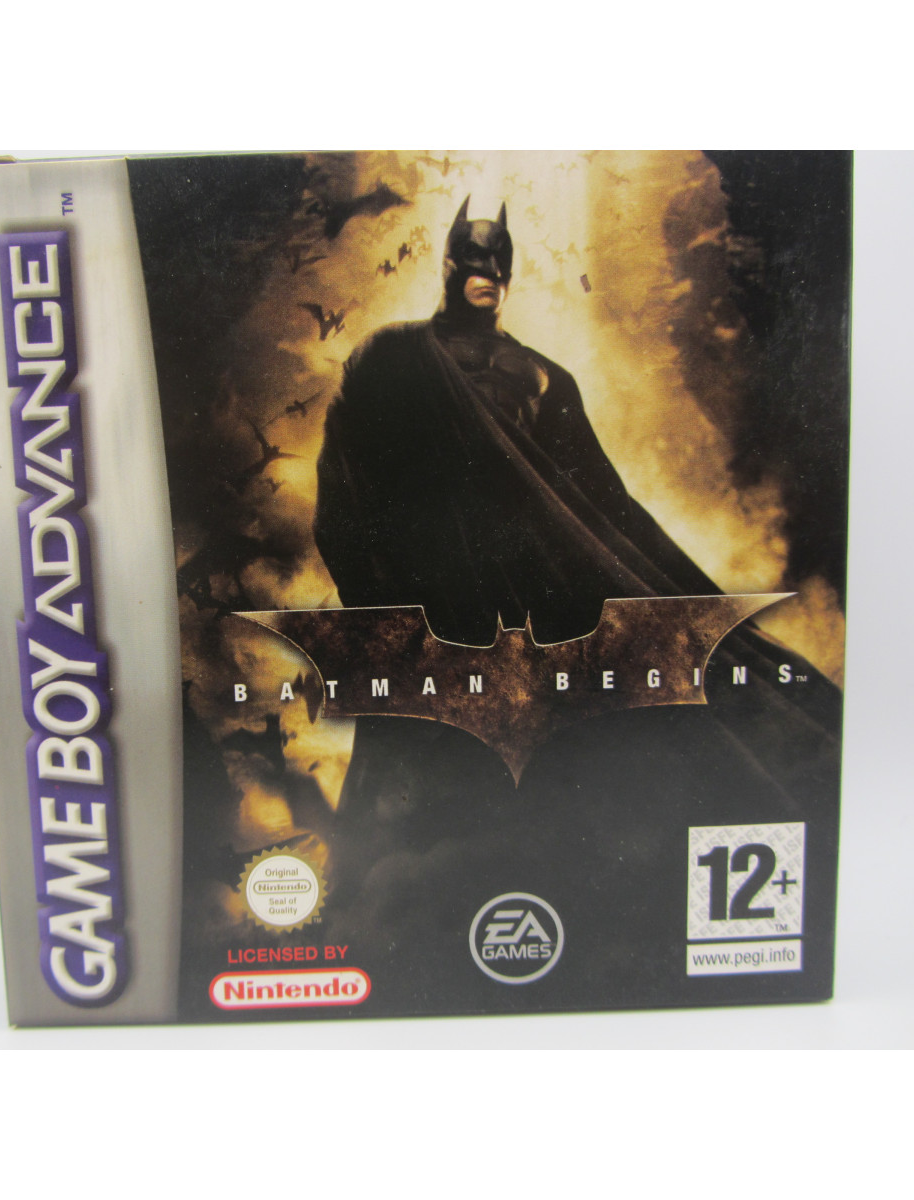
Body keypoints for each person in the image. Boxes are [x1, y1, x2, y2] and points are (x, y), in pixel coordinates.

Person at [311, 199, 842, 1011]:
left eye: (498, 264)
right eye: (472, 261)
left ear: (510, 275)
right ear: (446, 264)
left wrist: (666, 593)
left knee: (569, 785)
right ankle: (398, 940)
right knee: (414, 805)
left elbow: (606, 510)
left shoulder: (544, 381)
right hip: (434, 617)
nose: (485, 276)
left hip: (539, 617)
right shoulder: (390, 361)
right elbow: (345, 496)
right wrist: (386, 604)